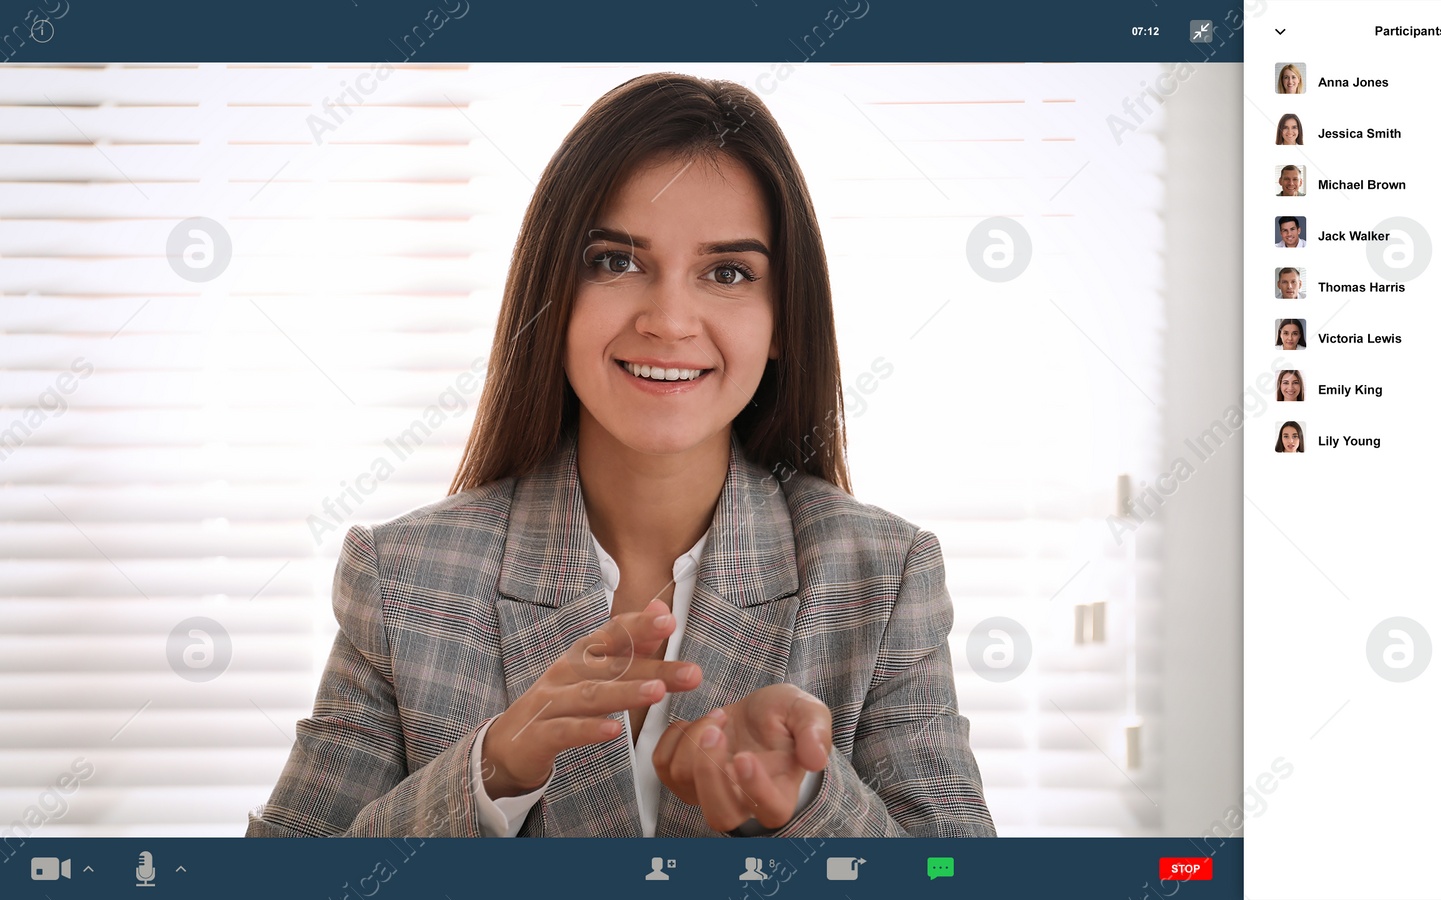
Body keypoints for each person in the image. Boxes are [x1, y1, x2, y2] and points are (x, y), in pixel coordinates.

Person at [245, 73, 995, 840]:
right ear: (552, 295)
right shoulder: (403, 577)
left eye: (728, 272)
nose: (669, 321)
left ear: (782, 325)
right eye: (615, 261)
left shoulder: (883, 574)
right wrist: (489, 773)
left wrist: (810, 805)